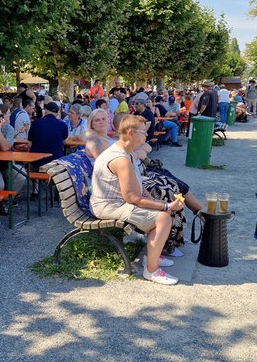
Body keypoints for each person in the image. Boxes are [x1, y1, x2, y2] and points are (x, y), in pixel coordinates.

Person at [90, 115, 185, 285]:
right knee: (163, 218)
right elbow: (132, 198)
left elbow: (139, 190)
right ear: (131, 133)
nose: (147, 135)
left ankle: (152, 256)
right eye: (143, 132)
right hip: (108, 206)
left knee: (161, 212)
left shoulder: (128, 154)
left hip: (117, 202)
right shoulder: (121, 159)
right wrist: (166, 206)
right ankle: (152, 271)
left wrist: (160, 205)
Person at [28, 101, 68, 172]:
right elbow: (64, 142)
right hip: (55, 163)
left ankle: (35, 183)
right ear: (57, 113)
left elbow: (29, 144)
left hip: (36, 162)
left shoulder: (35, 123)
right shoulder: (62, 125)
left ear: (46, 110)